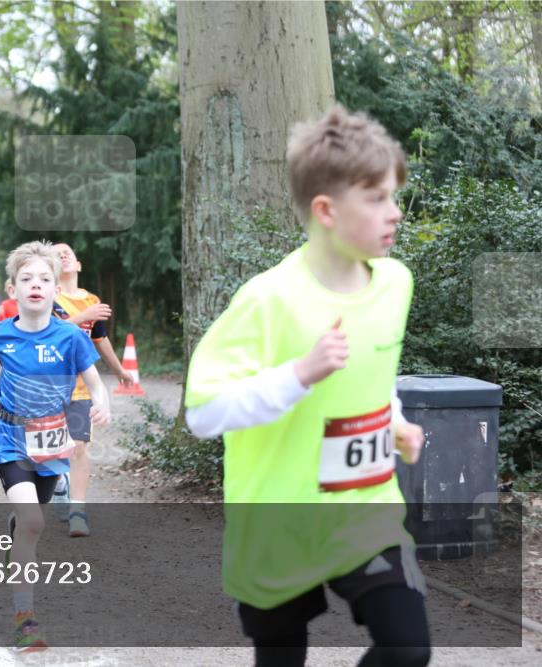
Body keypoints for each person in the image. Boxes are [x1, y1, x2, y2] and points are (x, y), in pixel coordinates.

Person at [184, 105, 430, 667]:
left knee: (408, 650)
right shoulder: (269, 299)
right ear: (325, 210)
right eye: (377, 199)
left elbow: (374, 376)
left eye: (393, 196)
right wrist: (299, 374)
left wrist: (395, 423)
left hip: (365, 517)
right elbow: (203, 413)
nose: (394, 213)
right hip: (278, 525)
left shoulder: (395, 283)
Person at [0, 240, 110, 652]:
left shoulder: (70, 337)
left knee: (29, 521)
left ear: (55, 289)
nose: (36, 285)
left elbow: (95, 384)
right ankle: (25, 621)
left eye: (44, 279)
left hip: (52, 446)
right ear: (12, 289)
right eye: (27, 278)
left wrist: (101, 405)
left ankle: (17, 530)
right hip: (11, 440)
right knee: (34, 523)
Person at [49, 242, 134, 537]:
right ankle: (58, 482)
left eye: (67, 253)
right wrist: (85, 316)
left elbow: (100, 339)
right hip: (47, 386)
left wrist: (118, 369)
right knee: (47, 449)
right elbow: (50, 333)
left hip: (80, 387)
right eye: (56, 254)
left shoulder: (91, 300)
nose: (63, 255)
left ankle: (78, 511)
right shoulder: (47, 296)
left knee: (78, 447)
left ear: (78, 264)